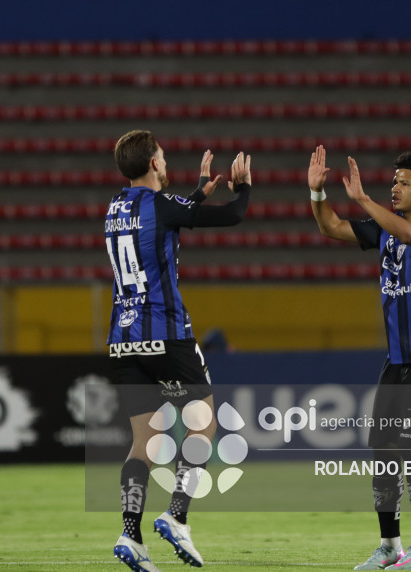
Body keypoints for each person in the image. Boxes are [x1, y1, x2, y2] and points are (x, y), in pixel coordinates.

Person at [307, 145, 411, 570]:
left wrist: (364, 200)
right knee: (383, 450)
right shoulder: (385, 230)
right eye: (392, 181)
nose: (394, 187)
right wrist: (319, 194)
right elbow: (331, 227)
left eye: (403, 182)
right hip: (398, 361)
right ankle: (390, 545)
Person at [106, 129, 251, 572]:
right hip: (167, 334)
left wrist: (196, 194)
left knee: (144, 441)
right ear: (152, 163)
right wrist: (241, 187)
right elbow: (232, 217)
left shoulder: (113, 209)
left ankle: (130, 536)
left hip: (124, 340)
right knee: (203, 425)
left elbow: (162, 217)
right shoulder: (164, 206)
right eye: (164, 158)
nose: (166, 164)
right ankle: (176, 514)